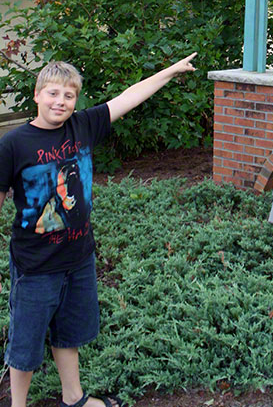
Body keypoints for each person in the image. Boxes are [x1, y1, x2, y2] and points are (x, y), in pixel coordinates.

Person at [0, 54, 197, 407]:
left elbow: (129, 96)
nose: (60, 102)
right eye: (53, 94)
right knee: (25, 343)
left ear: (76, 100)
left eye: (69, 96)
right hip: (35, 266)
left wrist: (169, 71)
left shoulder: (83, 125)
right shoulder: (13, 144)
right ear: (37, 95)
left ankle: (73, 398)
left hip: (78, 258)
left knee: (69, 333)